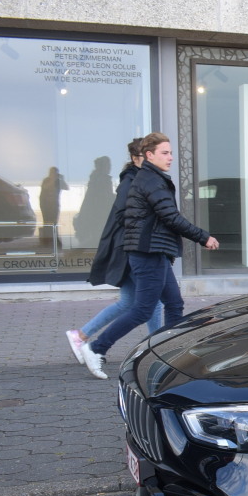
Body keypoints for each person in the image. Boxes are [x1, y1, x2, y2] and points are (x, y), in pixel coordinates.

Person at [80, 133, 219, 379]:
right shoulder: (150, 181)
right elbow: (171, 217)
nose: (171, 158)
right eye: (165, 153)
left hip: (156, 252)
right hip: (147, 253)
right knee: (142, 309)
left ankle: (171, 355)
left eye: (171, 152)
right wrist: (203, 237)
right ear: (149, 155)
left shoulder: (152, 178)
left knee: (174, 303)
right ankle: (95, 348)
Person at [64, 139, 163, 364]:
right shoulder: (132, 181)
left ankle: (80, 336)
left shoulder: (134, 179)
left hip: (129, 249)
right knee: (153, 300)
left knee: (129, 301)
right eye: (150, 155)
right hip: (132, 250)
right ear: (138, 157)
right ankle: (158, 347)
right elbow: (123, 216)